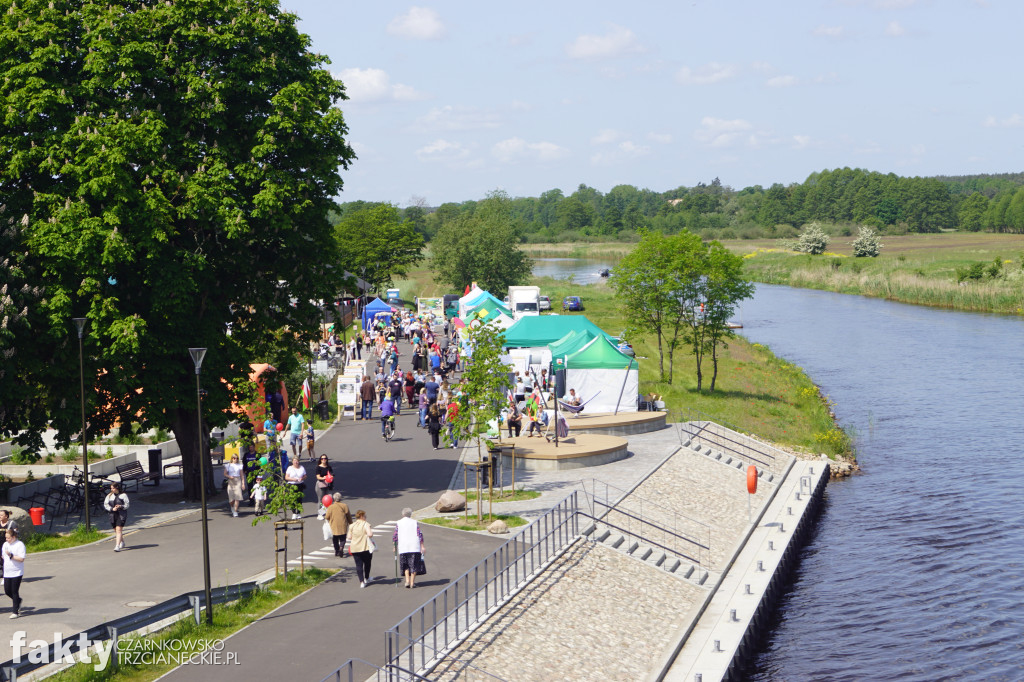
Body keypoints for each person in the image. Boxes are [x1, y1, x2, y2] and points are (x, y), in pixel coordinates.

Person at [393, 508, 425, 589]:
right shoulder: (414, 522)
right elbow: (420, 534)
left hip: (403, 546)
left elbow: (395, 536)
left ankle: (407, 581)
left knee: (405, 564)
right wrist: (422, 546)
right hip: (414, 546)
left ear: (403, 514)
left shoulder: (399, 523)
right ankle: (412, 582)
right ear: (410, 514)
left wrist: (395, 547)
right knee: (414, 564)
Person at [3, 528, 25, 619]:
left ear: (13, 537)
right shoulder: (5, 544)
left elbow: (21, 559)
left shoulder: (20, 545)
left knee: (14, 591)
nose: (6, 540)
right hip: (7, 572)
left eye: (8, 538)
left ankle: (15, 612)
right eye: (6, 538)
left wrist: (11, 556)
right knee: (7, 591)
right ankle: (18, 601)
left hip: (17, 572)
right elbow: (3, 557)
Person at [349, 510, 374, 588]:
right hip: (365, 547)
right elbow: (370, 534)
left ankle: (361, 582)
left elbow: (349, 537)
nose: (366, 517)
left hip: (355, 548)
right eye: (365, 516)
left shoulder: (352, 525)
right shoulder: (366, 524)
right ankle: (366, 578)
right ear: (362, 516)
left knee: (358, 565)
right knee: (367, 563)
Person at [103, 482, 130, 551]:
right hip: (112, 514)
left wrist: (120, 506)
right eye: (111, 488)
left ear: (117, 488)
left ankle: (117, 546)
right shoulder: (109, 496)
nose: (112, 490)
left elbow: (127, 505)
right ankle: (122, 542)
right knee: (116, 530)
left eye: (113, 488)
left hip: (121, 515)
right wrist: (112, 509)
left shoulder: (123, 495)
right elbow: (106, 505)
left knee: (118, 530)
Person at [325, 493, 352, 557]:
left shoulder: (331, 507)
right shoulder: (344, 506)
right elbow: (348, 516)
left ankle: (337, 551)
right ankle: (341, 548)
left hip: (334, 525)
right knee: (343, 538)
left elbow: (327, 517)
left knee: (335, 539)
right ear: (340, 498)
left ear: (333, 499)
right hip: (343, 524)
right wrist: (351, 523)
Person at [224, 453, 246, 517]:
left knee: (237, 497)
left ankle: (235, 511)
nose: (235, 459)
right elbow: (225, 473)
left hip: (238, 480)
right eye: (234, 458)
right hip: (231, 481)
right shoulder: (228, 465)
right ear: (232, 459)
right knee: (231, 499)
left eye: (236, 458)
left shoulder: (240, 465)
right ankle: (232, 506)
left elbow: (242, 475)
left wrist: (243, 484)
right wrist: (229, 476)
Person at [314, 455, 334, 520]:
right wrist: (323, 478)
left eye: (325, 458)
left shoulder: (329, 467)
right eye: (322, 459)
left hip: (328, 485)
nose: (323, 460)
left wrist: (331, 477)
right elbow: (318, 477)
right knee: (321, 500)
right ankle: (320, 514)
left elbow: (332, 474)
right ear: (320, 459)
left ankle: (324, 512)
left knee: (330, 498)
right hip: (321, 484)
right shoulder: (318, 467)